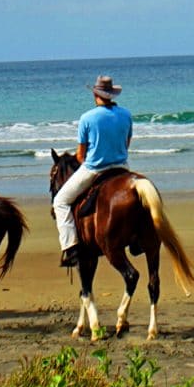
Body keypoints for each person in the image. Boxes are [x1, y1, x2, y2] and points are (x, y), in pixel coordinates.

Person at [53, 75, 133, 267]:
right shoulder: (126, 114)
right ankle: (137, 239)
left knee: (60, 201)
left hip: (95, 169)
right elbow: (126, 144)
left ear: (95, 94)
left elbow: (81, 155)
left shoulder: (87, 118)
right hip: (122, 168)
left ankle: (70, 247)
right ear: (112, 94)